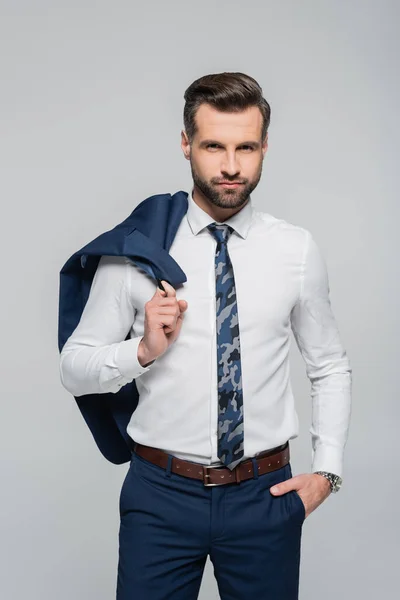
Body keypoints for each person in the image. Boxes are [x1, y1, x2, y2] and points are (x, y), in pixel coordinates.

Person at [59, 71, 352, 599]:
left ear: (265, 147)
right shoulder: (140, 250)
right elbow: (73, 368)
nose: (231, 166)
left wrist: (326, 474)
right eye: (214, 145)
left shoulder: (296, 250)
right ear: (185, 144)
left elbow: (328, 365)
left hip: (265, 493)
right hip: (161, 495)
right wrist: (142, 350)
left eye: (246, 147)